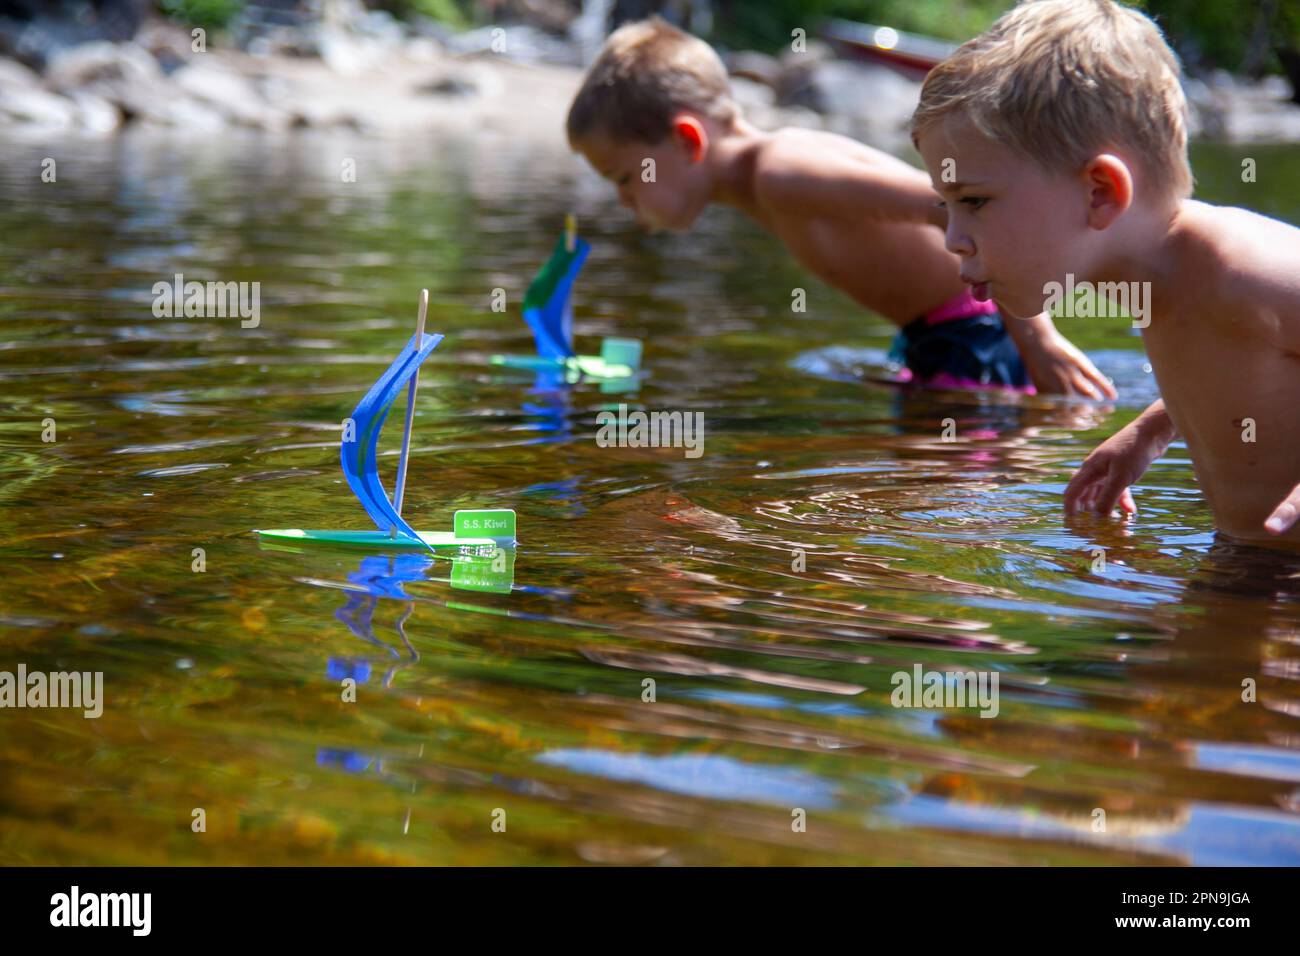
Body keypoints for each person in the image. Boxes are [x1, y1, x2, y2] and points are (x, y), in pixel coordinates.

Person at [911, 0, 1300, 545]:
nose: (952, 238)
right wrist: (1151, 431)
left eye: (973, 201)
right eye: (945, 207)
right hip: (1253, 564)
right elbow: (1241, 365)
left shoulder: (1245, 268)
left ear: (1100, 192)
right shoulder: (1157, 281)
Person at [566, 17, 1115, 398]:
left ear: (688, 141)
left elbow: (956, 206)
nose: (624, 200)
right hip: (944, 335)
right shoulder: (767, 177)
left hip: (975, 337)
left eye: (625, 178)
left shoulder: (785, 172)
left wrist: (1037, 338)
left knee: (944, 500)